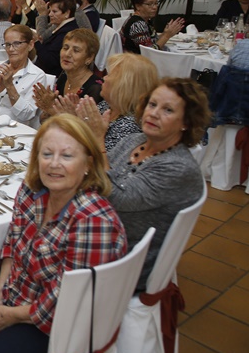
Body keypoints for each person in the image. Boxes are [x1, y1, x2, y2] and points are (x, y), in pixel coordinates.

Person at [0, 114, 127, 353]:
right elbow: (12, 244)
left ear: (88, 164)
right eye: (47, 154)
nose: (54, 164)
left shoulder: (93, 221)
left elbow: (66, 301)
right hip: (21, 291)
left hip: (60, 326)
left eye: (67, 156)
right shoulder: (32, 191)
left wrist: (8, 316)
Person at [82, 79, 209, 292]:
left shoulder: (177, 167)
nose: (154, 113)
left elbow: (116, 198)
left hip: (123, 260)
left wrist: (97, 141)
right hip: (100, 232)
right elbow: (94, 175)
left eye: (168, 110)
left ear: (186, 122)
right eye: (152, 104)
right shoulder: (134, 140)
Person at [76, 53, 158, 152]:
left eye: (109, 75)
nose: (104, 78)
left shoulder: (129, 127)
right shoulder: (107, 105)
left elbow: (101, 158)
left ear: (123, 86)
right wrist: (73, 118)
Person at [0, 24, 46, 125]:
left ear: (30, 45)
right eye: (7, 45)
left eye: (17, 43)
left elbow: (26, 115)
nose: (11, 49)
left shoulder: (37, 75)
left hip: (11, 129)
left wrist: (10, 86)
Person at [33, 28, 102, 121]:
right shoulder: (64, 76)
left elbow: (83, 128)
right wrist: (46, 109)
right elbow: (44, 120)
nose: (67, 54)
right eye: (65, 48)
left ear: (89, 58)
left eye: (76, 50)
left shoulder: (96, 89)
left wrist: (52, 110)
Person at [120, 0, 185, 55]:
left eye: (156, 3)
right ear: (138, 6)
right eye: (149, 4)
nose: (154, 7)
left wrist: (165, 33)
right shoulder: (137, 24)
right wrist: (166, 36)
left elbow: (152, 41)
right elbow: (150, 53)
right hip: (136, 60)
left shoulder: (145, 20)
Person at [34, 0, 79, 76]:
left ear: (67, 13)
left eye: (54, 11)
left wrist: (36, 42)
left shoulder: (66, 33)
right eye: (50, 11)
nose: (50, 14)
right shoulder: (61, 26)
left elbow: (50, 61)